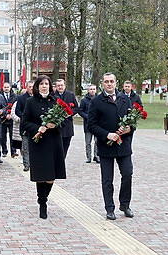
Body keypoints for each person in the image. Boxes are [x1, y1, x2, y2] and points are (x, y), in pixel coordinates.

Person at [88, 73, 135, 220]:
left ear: (116, 83)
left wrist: (130, 128)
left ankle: (125, 204)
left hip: (123, 145)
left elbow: (132, 121)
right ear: (102, 83)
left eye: (112, 81)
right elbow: (91, 125)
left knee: (127, 174)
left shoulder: (125, 99)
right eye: (106, 82)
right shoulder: (96, 101)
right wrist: (106, 135)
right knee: (107, 179)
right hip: (106, 145)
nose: (109, 84)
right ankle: (109, 208)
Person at [21, 75, 67, 219]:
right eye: (41, 84)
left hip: (53, 141)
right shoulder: (30, 102)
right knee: (41, 175)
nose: (44, 86)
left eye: (47, 84)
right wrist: (38, 127)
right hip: (39, 143)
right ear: (37, 86)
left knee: (51, 177)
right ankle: (43, 203)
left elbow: (64, 121)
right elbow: (24, 123)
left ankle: (44, 197)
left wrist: (55, 124)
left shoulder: (56, 102)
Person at [54, 79, 79, 158]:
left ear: (65, 86)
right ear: (56, 87)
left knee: (66, 146)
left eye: (61, 85)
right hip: (57, 126)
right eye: (58, 86)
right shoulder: (53, 96)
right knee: (57, 147)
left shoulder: (70, 95)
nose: (60, 87)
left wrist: (70, 113)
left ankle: (62, 160)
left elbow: (76, 108)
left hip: (68, 126)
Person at [15, 80, 34, 171]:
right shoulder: (21, 98)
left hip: (35, 126)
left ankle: (34, 163)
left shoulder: (38, 97)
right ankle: (26, 164)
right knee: (25, 146)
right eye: (29, 86)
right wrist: (24, 116)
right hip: (25, 125)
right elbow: (17, 110)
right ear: (26, 87)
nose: (31, 88)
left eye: (33, 87)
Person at [78, 84, 100, 163]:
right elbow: (80, 111)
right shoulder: (84, 100)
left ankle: (96, 156)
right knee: (88, 142)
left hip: (97, 124)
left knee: (97, 141)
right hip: (88, 124)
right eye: (91, 89)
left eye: (94, 89)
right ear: (88, 90)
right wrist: (88, 117)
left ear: (96, 90)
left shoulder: (99, 99)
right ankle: (88, 157)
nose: (92, 91)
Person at [0, 82, 18, 157]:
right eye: (5, 87)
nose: (6, 89)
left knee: (12, 136)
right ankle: (4, 151)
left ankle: (13, 151)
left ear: (10, 87)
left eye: (8, 87)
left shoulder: (15, 96)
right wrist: (5, 114)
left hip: (11, 119)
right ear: (3, 88)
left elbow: (16, 107)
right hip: (2, 119)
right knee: (2, 137)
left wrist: (11, 114)